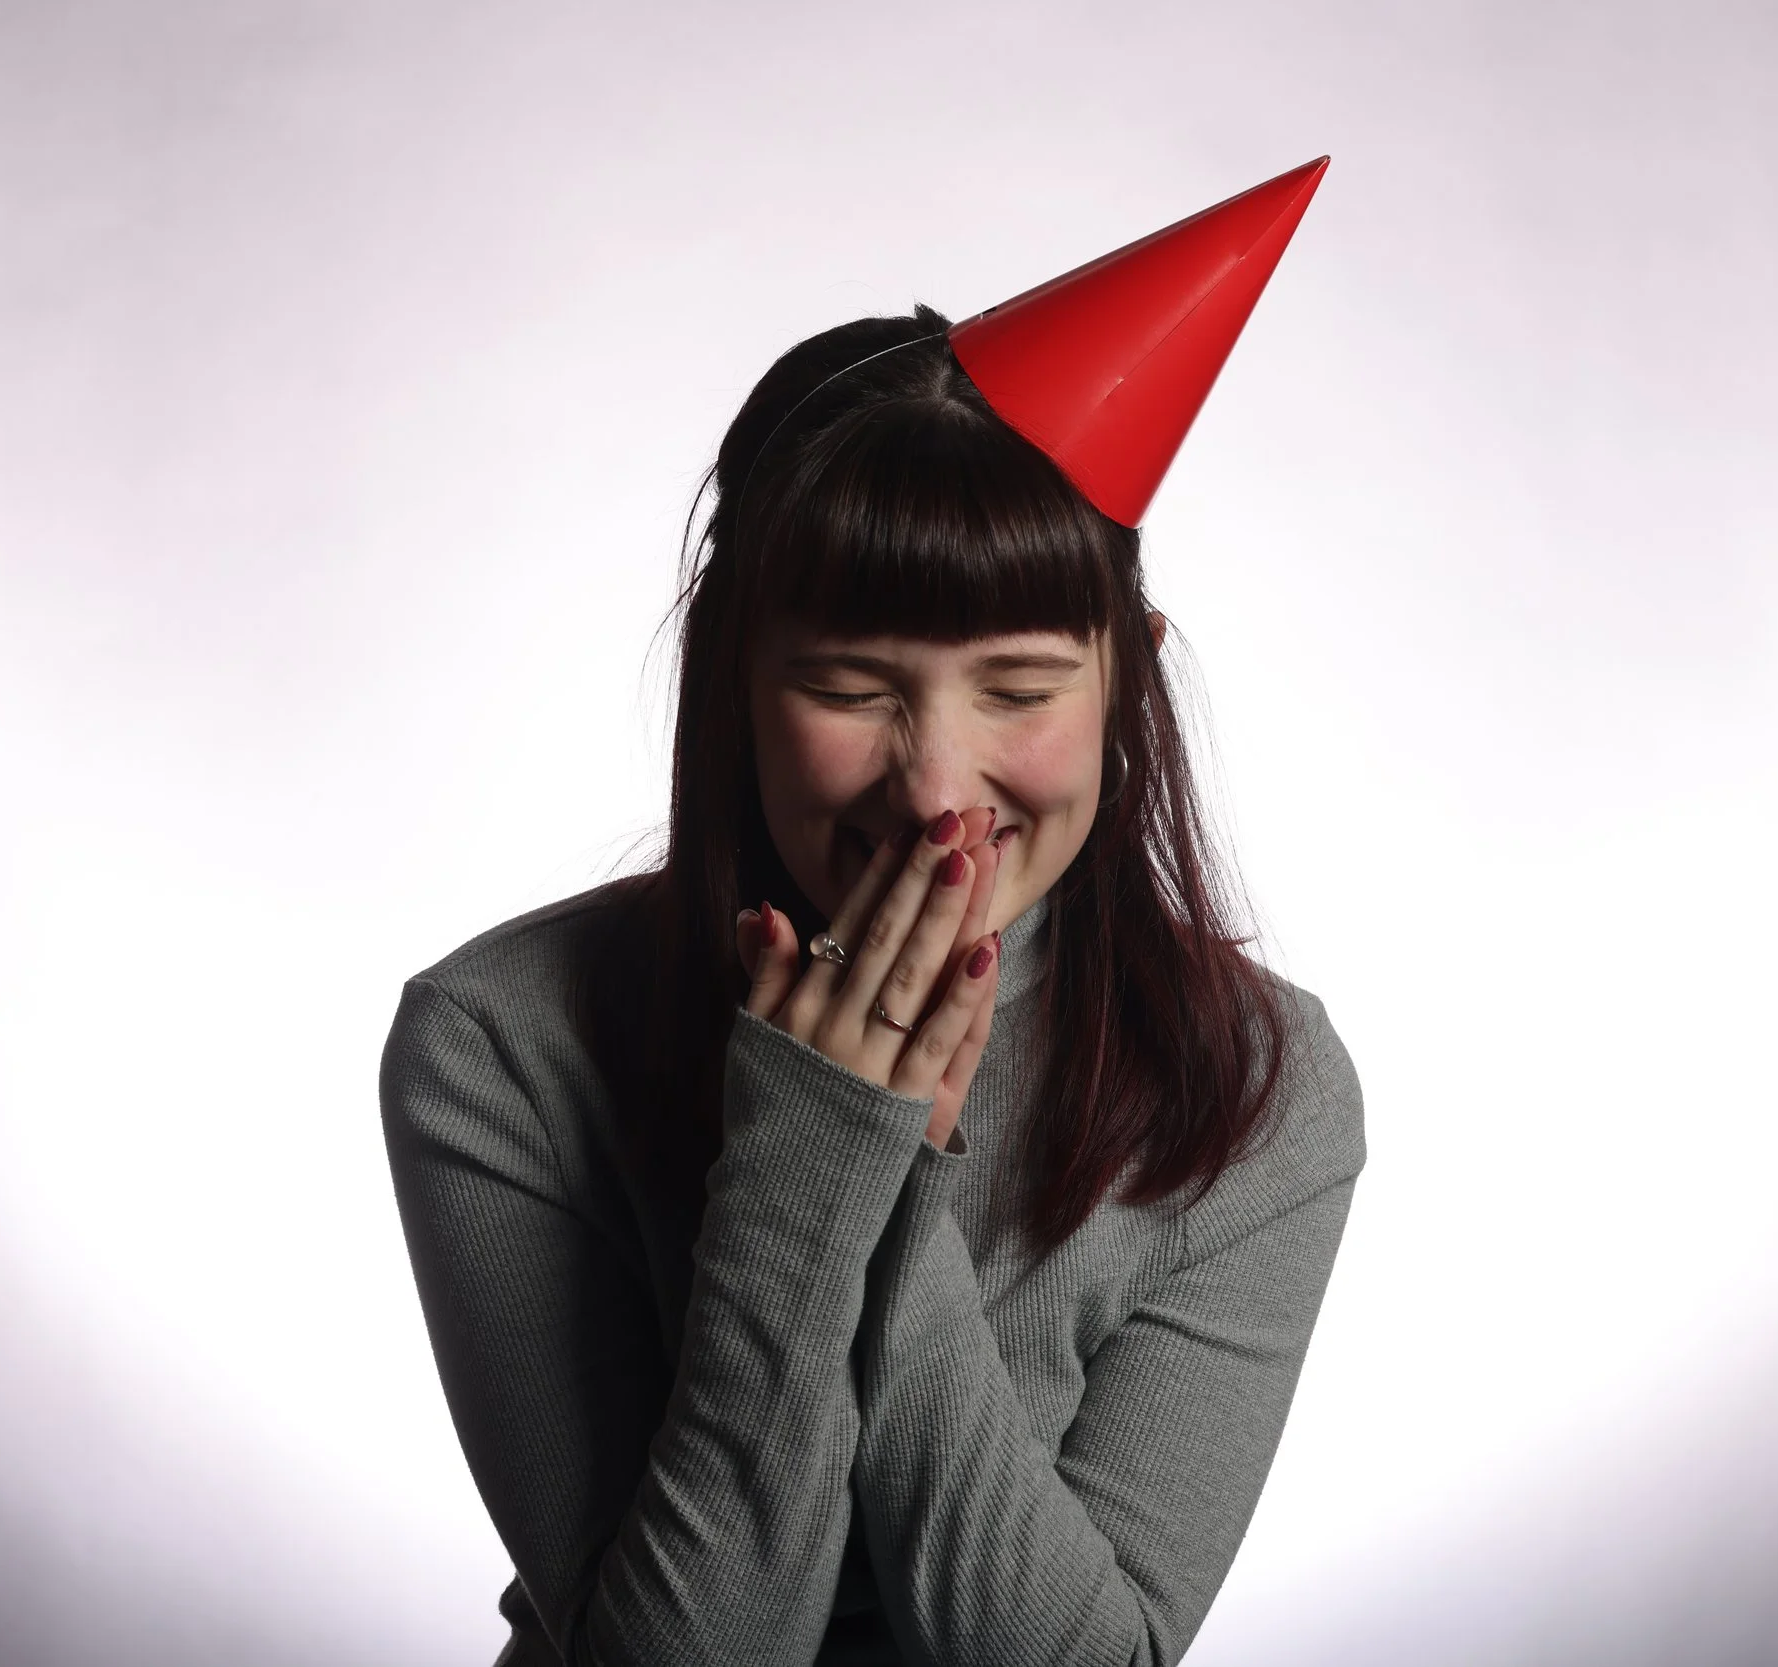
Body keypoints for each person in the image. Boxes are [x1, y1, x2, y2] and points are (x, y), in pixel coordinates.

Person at [380, 159, 1367, 1667]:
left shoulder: (1257, 1093)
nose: (936, 789)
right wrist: (814, 1145)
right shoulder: (500, 1045)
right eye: (850, 688)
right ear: (734, 679)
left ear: (1128, 681)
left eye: (1021, 690)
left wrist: (874, 1147)